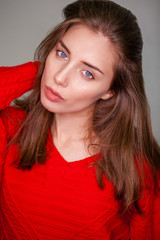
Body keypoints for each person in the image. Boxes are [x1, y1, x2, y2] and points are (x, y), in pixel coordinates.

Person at [0, 0, 160, 239]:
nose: (60, 77)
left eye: (88, 73)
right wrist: (36, 72)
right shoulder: (11, 128)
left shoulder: (136, 168)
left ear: (110, 90)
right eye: (62, 53)